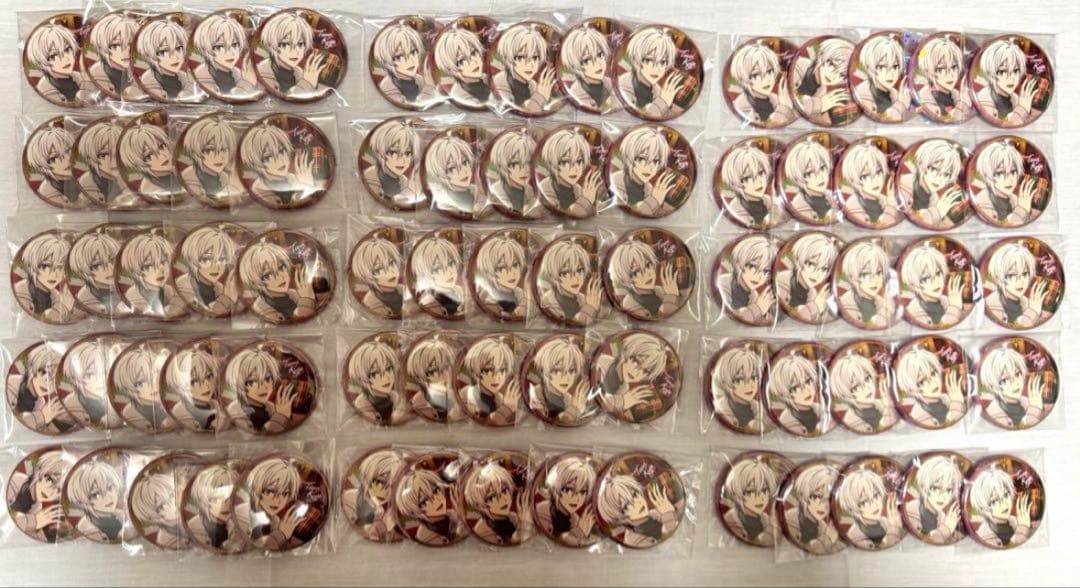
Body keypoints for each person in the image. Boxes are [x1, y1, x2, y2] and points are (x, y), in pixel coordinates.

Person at [594, 332, 668, 422]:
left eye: (645, 371)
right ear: (627, 352)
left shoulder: (624, 388)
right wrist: (622, 402)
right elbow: (597, 397)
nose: (637, 372)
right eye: (636, 361)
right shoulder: (602, 363)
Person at [239, 123, 318, 207]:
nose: (280, 159)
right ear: (256, 163)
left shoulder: (291, 178)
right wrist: (308, 186)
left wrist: (308, 184)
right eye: (268, 157)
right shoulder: (260, 190)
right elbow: (288, 211)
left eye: (282, 150)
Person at [618, 27, 689, 119]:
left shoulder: (657, 90)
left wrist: (668, 103)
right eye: (649, 60)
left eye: (663, 62)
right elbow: (634, 117)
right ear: (636, 58)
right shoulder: (623, 85)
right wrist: (662, 102)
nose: (657, 68)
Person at [238, 240, 317, 323]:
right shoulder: (261, 307)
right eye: (267, 275)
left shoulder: (292, 294)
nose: (280, 277)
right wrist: (307, 300)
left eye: (281, 267)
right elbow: (289, 328)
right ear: (255, 281)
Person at [255, 11, 329, 99]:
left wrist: (312, 84)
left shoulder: (299, 72)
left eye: (300, 44)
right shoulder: (263, 71)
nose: (295, 52)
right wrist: (306, 84)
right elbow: (278, 100)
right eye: (285, 44)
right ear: (272, 45)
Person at [611, 127, 682, 217]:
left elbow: (656, 213)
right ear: (629, 156)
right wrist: (654, 200)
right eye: (642, 158)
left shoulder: (649, 188)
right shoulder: (616, 182)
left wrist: (660, 201)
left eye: (656, 161)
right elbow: (624, 214)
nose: (650, 167)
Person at [224, 347, 299, 434]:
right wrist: (280, 417)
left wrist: (285, 416)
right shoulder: (236, 411)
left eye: (268, 378)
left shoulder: (271, 407)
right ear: (239, 383)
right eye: (253, 381)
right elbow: (255, 440)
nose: (264, 387)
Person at [595, 475, 679, 548]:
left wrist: (669, 513)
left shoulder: (654, 513)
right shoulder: (634, 541)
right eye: (626, 506)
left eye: (635, 494)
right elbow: (666, 550)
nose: (637, 503)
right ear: (619, 516)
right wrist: (669, 516)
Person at [14, 232, 82, 322]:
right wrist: (62, 308)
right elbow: (30, 324)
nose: (54, 274)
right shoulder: (21, 291)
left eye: (60, 267)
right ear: (32, 264)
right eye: (46, 266)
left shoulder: (56, 296)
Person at [536, 127, 604, 218]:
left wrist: (594, 203)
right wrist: (586, 200)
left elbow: (586, 213)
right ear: (553, 162)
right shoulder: (546, 188)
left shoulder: (577, 189)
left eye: (579, 161)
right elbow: (561, 216)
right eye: (565, 162)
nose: (574, 169)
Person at [983, 242, 1053, 328]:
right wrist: (1032, 313)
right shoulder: (990, 306)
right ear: (999, 276)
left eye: (1024, 274)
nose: (1020, 281)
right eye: (1012, 275)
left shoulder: (1027, 303)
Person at [175, 226, 241, 317]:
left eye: (222, 259)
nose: (216, 267)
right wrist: (226, 299)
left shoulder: (219, 287)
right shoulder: (184, 284)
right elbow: (202, 318)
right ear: (193, 259)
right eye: (207, 259)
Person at [180, 116, 245, 206]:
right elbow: (201, 202)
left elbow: (231, 201)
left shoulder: (224, 177)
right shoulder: (189, 176)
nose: (220, 157)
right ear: (197, 151)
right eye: (210, 150)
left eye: (224, 149)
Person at [974, 39, 1042, 127]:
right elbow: (1000, 127)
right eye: (1003, 71)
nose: (1011, 78)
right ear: (990, 72)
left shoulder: (1015, 98)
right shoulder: (983, 98)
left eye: (1015, 70)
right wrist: (1021, 110)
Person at [900, 139, 966, 229]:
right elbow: (908, 222)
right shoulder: (905, 184)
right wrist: (937, 211)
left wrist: (950, 217)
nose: (939, 178)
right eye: (934, 169)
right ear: (921, 164)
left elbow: (933, 227)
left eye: (946, 174)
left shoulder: (933, 198)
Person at [532, 456, 597, 546]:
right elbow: (544, 545)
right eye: (569, 489)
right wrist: (577, 533)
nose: (577, 498)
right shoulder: (542, 511)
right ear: (556, 487)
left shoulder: (574, 518)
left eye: (582, 492)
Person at [9, 344, 75, 434]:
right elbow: (12, 424)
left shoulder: (40, 403)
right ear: (32, 369)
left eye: (55, 380)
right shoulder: (12, 385)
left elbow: (33, 433)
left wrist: (62, 422)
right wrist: (42, 416)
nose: (48, 383)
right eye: (44, 372)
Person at [608, 240, 681, 319]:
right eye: (636, 271)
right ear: (625, 277)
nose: (648, 274)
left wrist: (674, 296)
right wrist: (670, 298)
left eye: (648, 265)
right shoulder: (630, 304)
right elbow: (655, 322)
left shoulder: (659, 290)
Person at [895, 347, 967, 429]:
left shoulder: (944, 398)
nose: (932, 382)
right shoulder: (919, 414)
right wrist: (956, 404)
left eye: (933, 373)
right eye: (922, 381)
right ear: (911, 388)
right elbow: (942, 433)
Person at [118, 231, 185, 318]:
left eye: (164, 262)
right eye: (149, 265)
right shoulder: (132, 296)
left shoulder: (169, 291)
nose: (160, 270)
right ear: (135, 270)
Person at [492, 24, 556, 114]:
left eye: (535, 57)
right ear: (508, 57)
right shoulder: (500, 82)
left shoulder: (533, 85)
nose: (529, 64)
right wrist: (539, 97)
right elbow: (516, 114)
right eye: (521, 57)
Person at [728, 41, 796, 126]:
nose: (766, 79)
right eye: (756, 75)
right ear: (743, 78)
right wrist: (784, 108)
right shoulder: (742, 107)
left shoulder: (776, 99)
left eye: (770, 71)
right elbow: (764, 130)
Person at [191, 14, 259, 99]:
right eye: (219, 46)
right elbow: (217, 101)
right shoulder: (203, 73)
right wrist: (247, 84)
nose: (230, 52)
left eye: (235, 45)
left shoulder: (236, 72)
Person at [25, 22, 95, 105]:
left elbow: (91, 97)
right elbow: (79, 105)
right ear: (41, 61)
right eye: (54, 56)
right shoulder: (45, 86)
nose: (65, 58)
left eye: (67, 50)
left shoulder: (77, 76)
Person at [341, 450, 404, 541]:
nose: (389, 488)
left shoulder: (394, 508)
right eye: (383, 481)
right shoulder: (351, 498)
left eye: (394, 482)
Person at [775, 233, 837, 324]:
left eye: (824, 269)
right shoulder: (782, 281)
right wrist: (815, 306)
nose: (817, 274)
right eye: (811, 264)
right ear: (799, 259)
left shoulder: (813, 293)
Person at [346, 338, 411, 425]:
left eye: (389, 369)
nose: (386, 377)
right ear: (362, 377)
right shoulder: (362, 403)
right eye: (375, 373)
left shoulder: (394, 397)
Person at [978, 345, 1045, 429]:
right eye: (1004, 380)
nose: (1015, 382)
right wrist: (1034, 410)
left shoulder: (1026, 401)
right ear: (993, 384)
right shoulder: (995, 413)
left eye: (1017, 374)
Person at [829, 352, 898, 434]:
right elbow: (880, 436)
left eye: (867, 379)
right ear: (845, 392)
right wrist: (888, 408)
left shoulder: (880, 404)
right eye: (856, 387)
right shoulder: (852, 421)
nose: (866, 388)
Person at [530, 336, 593, 425]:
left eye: (571, 371)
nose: (566, 378)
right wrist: (573, 411)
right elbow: (543, 425)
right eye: (557, 371)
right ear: (544, 370)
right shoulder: (536, 394)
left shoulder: (570, 398)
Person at [246, 458, 307, 550]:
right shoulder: (244, 513)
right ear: (257, 488)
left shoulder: (275, 520)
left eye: (285, 494)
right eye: (270, 491)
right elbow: (254, 551)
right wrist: (281, 534)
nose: (278, 500)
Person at [792, 37, 855, 126]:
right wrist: (820, 104)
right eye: (832, 65)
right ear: (821, 56)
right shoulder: (798, 67)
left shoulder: (822, 90)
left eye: (842, 76)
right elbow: (789, 104)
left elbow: (820, 121)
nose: (834, 76)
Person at [112, 344, 175, 432]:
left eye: (155, 373)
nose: (153, 382)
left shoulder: (171, 405)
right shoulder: (130, 412)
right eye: (141, 383)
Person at [8, 450, 67, 542]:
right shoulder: (13, 482)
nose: (51, 492)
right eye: (50, 480)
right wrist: (34, 522)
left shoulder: (37, 508)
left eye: (59, 490)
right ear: (39, 472)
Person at [900, 244, 965, 329]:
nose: (935, 282)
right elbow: (938, 330)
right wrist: (954, 308)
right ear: (913, 283)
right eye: (926, 278)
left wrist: (956, 307)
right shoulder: (914, 312)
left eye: (938, 274)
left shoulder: (947, 301)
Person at [363, 119, 424, 208]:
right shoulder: (371, 177)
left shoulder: (403, 180)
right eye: (394, 152)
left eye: (407, 153)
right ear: (380, 152)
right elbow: (376, 207)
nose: (402, 160)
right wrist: (409, 192)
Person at [463, 463, 530, 544]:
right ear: (480, 503)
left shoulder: (514, 517)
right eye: (492, 497)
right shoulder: (483, 532)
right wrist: (523, 528)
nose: (503, 499)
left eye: (504, 490)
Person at [718, 143, 781, 229]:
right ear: (735, 182)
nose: (758, 182)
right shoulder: (735, 210)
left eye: (761, 173)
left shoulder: (769, 201)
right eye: (747, 178)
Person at [372, 23, 437, 107]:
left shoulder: (419, 80)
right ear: (387, 60)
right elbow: (415, 107)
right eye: (399, 57)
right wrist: (429, 87)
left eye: (413, 52)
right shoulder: (388, 87)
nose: (410, 61)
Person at [836, 468, 902, 550]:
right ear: (853, 506)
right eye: (864, 502)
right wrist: (893, 529)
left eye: (876, 496)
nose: (874, 504)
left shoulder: (885, 522)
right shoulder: (855, 535)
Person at [839, 142, 901, 228]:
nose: (875, 180)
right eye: (865, 176)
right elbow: (879, 228)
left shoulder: (883, 199)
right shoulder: (852, 207)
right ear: (853, 180)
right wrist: (890, 207)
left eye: (878, 172)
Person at [904, 455, 964, 544]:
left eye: (948, 490)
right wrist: (946, 529)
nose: (942, 496)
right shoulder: (910, 511)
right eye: (936, 488)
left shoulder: (943, 518)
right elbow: (920, 544)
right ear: (924, 487)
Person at [783, 462, 841, 554]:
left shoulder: (823, 526)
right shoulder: (790, 519)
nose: (824, 505)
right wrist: (828, 539)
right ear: (804, 494)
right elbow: (794, 550)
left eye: (829, 499)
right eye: (816, 496)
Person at [717, 235, 776, 325]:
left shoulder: (754, 295)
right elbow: (730, 317)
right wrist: (757, 309)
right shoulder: (723, 284)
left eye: (765, 271)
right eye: (753, 266)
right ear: (739, 263)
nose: (759, 276)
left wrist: (764, 315)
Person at [969, 466, 1033, 548]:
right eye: (995, 501)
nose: (1004, 503)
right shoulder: (985, 534)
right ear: (983, 505)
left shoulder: (1013, 521)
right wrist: (1023, 528)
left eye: (1006, 495)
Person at [462, 338, 521, 425]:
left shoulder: (499, 398)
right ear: (476, 370)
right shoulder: (467, 394)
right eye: (488, 370)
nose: (496, 377)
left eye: (502, 370)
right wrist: (506, 409)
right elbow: (484, 426)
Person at [136, 18, 198, 101]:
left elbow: (193, 92)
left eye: (178, 49)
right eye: (164, 51)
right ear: (149, 53)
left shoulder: (183, 76)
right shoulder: (149, 79)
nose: (175, 57)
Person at [852, 34, 911, 122]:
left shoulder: (894, 93)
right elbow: (875, 123)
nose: (890, 73)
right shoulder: (862, 95)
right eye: (882, 67)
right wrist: (900, 106)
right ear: (869, 67)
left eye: (895, 66)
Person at [837, 240, 895, 329]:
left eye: (878, 273)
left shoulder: (886, 303)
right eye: (866, 274)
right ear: (853, 276)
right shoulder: (845, 305)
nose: (874, 280)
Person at [722, 459, 780, 545]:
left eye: (764, 490)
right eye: (750, 492)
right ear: (738, 492)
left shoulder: (765, 519)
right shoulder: (730, 520)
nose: (759, 498)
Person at [395, 469, 461, 545]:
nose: (436, 500)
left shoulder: (451, 515)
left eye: (436, 491)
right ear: (414, 510)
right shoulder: (426, 536)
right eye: (424, 501)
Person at [711, 345, 768, 433]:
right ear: (727, 380)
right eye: (740, 379)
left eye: (754, 378)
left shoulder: (759, 409)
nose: (750, 386)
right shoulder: (720, 407)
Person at [66, 459, 127, 542]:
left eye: (110, 488)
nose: (108, 497)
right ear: (82, 500)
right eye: (95, 494)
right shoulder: (86, 526)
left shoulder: (120, 515)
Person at [118, 122, 181, 201]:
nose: (163, 156)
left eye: (162, 146)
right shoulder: (149, 188)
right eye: (149, 156)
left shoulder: (178, 172)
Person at [164, 345, 221, 432]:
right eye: (194, 381)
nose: (207, 385)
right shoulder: (179, 411)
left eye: (209, 376)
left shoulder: (215, 405)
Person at [768, 352, 828, 436]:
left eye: (808, 381)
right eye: (795, 388)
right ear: (784, 392)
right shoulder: (787, 420)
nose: (806, 390)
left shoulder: (818, 408)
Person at [405, 338, 463, 422]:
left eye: (445, 367)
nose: (443, 375)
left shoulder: (455, 397)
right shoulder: (419, 401)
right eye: (432, 372)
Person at [915, 36, 972, 122]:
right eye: (941, 69)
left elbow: (963, 118)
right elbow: (948, 120)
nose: (950, 75)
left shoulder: (955, 93)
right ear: (928, 70)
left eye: (954, 67)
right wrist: (962, 104)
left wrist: (965, 104)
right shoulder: (925, 94)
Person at [425, 134, 483, 217]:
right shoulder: (444, 202)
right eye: (452, 168)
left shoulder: (474, 189)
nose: (463, 171)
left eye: (465, 162)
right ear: (439, 172)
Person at [87, 13, 141, 99]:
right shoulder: (97, 73)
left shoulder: (135, 71)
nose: (126, 51)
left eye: (131, 44)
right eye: (116, 46)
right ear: (102, 46)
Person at [25, 124, 82, 207]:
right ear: (42, 164)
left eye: (67, 151)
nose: (67, 160)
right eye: (54, 158)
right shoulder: (48, 191)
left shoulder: (79, 179)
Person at [561, 26, 615, 112]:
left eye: (600, 55)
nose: (597, 63)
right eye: (587, 60)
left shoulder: (611, 84)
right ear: (575, 64)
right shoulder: (576, 93)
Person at [411, 235, 466, 319]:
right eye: (437, 269)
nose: (449, 272)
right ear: (425, 274)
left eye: (451, 263)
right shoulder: (428, 303)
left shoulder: (458, 291)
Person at [486, 130, 538, 218]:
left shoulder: (529, 190)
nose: (524, 169)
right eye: (515, 163)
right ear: (502, 165)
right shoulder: (496, 191)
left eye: (528, 162)